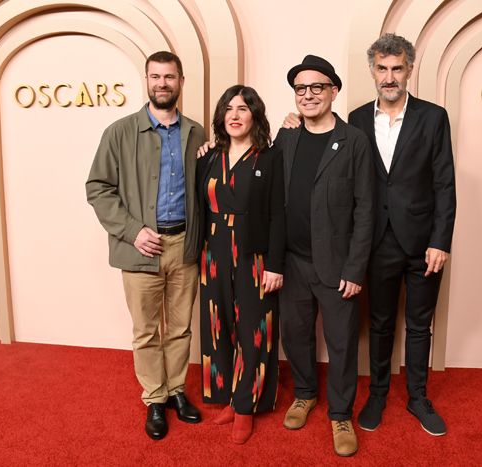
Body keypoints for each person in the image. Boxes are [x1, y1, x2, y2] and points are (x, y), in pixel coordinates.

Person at [86, 51, 204, 441]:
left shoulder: (197, 133)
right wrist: (133, 230)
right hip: (140, 249)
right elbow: (98, 188)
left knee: (181, 328)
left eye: (169, 77)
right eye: (155, 77)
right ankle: (154, 399)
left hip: (185, 244)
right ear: (147, 80)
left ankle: (175, 392)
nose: (162, 84)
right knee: (146, 330)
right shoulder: (119, 132)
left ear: (180, 81)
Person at [348, 34, 456, 436]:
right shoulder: (356, 120)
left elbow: (445, 183)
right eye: (382, 68)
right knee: (379, 323)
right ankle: (377, 393)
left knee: (420, 323)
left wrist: (441, 241)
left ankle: (417, 397)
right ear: (372, 71)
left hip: (424, 242)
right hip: (377, 241)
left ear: (410, 70)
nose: (389, 76)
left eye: (397, 68)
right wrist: (292, 122)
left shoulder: (433, 117)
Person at [275, 55, 374, 457]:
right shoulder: (287, 136)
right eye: (301, 89)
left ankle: (340, 413)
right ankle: (304, 393)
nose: (309, 95)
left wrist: (355, 268)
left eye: (318, 87)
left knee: (341, 342)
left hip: (336, 265)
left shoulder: (354, 142)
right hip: (292, 261)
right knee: (295, 334)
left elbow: (366, 208)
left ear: (333, 91)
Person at [197, 85, 285, 444]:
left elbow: (280, 214)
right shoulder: (206, 157)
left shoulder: (270, 157)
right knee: (220, 325)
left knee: (253, 328)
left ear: (255, 116)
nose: (235, 115)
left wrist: (275, 264)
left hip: (254, 252)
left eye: (243, 109)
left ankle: (247, 406)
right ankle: (229, 398)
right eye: (229, 109)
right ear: (221, 116)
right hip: (213, 249)